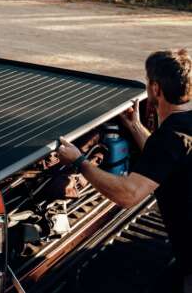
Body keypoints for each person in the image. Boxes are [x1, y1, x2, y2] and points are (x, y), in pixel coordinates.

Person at [58, 49, 192, 293]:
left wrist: (79, 163)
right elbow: (163, 161)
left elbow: (128, 195)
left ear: (155, 88)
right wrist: (135, 126)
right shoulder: (183, 127)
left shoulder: (169, 137)